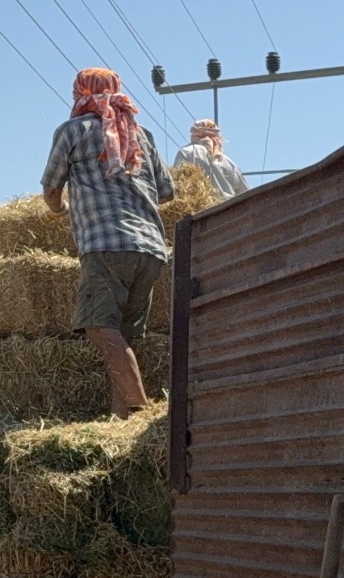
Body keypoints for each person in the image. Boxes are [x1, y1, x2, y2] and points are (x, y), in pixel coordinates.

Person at [42, 68, 174, 418]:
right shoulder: (141, 133)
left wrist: (60, 210)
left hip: (106, 244)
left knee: (99, 327)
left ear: (79, 93)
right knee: (122, 338)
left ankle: (142, 408)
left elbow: (52, 187)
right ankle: (122, 422)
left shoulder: (72, 131)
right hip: (150, 248)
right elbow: (166, 192)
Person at [173, 119, 250, 198]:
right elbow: (246, 196)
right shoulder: (230, 164)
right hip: (229, 209)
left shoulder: (186, 153)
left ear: (194, 135)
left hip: (199, 209)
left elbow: (177, 185)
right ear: (217, 137)